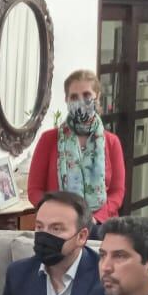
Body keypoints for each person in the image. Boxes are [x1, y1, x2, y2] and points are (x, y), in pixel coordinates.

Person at [28, 69, 126, 239]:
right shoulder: (49, 140)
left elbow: (117, 192)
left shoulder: (111, 142)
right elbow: (34, 190)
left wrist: (95, 218)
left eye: (87, 94)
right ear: (66, 100)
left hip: (100, 227)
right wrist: (57, 215)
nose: (81, 101)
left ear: (97, 97)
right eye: (74, 97)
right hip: (57, 228)